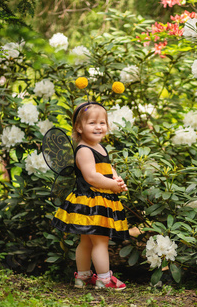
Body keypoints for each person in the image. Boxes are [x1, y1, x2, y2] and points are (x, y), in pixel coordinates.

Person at [52, 101, 129, 290]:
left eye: (102, 123)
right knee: (100, 240)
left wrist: (117, 180)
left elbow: (108, 169)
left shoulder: (100, 148)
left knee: (86, 240)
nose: (98, 127)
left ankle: (84, 276)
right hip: (91, 202)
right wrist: (112, 185)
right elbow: (91, 177)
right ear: (79, 127)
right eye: (92, 123)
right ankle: (103, 278)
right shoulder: (84, 150)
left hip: (99, 200)